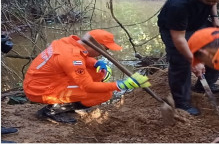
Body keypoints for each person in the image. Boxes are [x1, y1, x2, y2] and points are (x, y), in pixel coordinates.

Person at [23, 29, 151, 123]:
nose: (105, 53)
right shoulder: (71, 57)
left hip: (42, 82)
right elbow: (88, 85)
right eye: (105, 49)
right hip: (40, 90)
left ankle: (64, 105)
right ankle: (52, 110)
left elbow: (80, 58)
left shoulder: (68, 42)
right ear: (97, 46)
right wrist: (119, 85)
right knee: (105, 93)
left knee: (96, 72)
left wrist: (96, 63)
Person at [157, 0, 219, 115]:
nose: (212, 3)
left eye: (215, 1)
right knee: (181, 61)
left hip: (197, 22)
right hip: (174, 29)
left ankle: (203, 85)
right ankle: (182, 103)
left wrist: (215, 17)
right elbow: (179, 39)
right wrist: (194, 60)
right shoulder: (178, 6)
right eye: (209, 1)